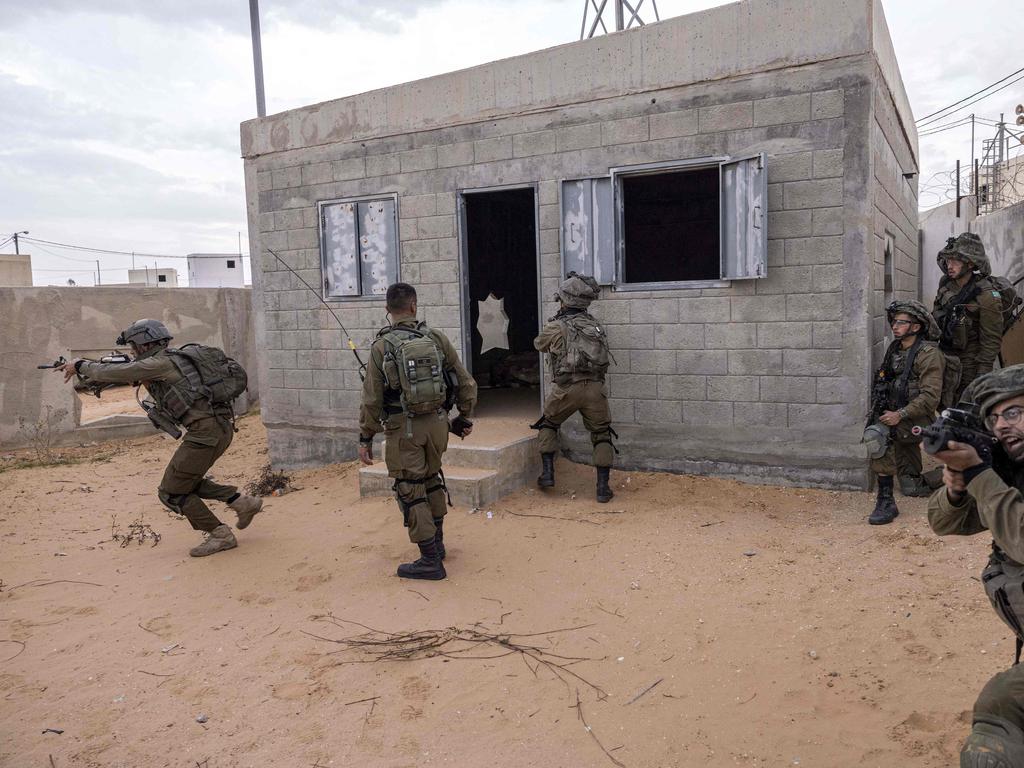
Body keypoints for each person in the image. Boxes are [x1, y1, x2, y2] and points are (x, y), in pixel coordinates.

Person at [58, 319, 262, 557]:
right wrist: (91, 378)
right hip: (218, 429)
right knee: (185, 481)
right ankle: (241, 502)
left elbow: (120, 371)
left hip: (204, 434)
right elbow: (123, 375)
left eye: (134, 346)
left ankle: (220, 535)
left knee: (171, 492)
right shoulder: (172, 360)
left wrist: (80, 365)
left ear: (144, 344)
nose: (132, 352)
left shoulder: (160, 363)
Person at [927, 365, 1024, 767]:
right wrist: (955, 486)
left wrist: (981, 474)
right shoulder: (1011, 469)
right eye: (994, 418)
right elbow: (945, 524)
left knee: (1000, 710)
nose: (1002, 425)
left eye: (1014, 412)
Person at [358, 282, 477, 581]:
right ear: (413, 306)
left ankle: (430, 560)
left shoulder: (381, 347)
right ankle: (437, 544)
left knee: (410, 489)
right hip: (438, 425)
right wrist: (464, 416)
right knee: (432, 480)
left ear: (387, 310)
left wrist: (366, 436)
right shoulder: (436, 338)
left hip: (404, 429)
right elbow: (466, 383)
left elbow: (371, 398)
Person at [532, 272, 616, 503]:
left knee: (548, 423)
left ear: (565, 300)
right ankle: (602, 489)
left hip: (566, 388)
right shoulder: (595, 326)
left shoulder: (557, 326)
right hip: (595, 390)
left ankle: (548, 475)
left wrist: (555, 324)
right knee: (601, 434)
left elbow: (538, 344)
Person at [865, 301, 945, 524]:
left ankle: (887, 499)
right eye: (894, 321)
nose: (895, 326)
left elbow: (930, 398)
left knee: (879, 437)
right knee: (910, 486)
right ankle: (887, 498)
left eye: (901, 322)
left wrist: (899, 414)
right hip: (896, 415)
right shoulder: (895, 348)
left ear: (916, 327)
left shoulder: (928, 354)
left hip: (918, 419)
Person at [933, 232, 1004, 404]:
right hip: (945, 358)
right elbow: (936, 316)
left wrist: (982, 376)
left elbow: (991, 340)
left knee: (966, 411)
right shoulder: (946, 284)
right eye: (948, 261)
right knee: (944, 409)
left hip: (970, 365)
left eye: (955, 261)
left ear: (970, 263)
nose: (950, 265)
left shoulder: (987, 295)